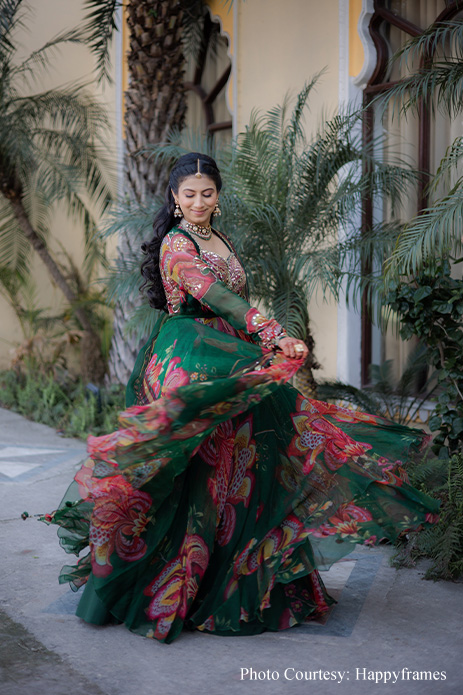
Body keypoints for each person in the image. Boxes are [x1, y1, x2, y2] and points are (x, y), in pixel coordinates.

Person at [47, 152, 439, 644]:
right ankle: (174, 587)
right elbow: (214, 295)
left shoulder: (219, 237)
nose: (197, 202)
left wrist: (258, 341)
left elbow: (232, 302)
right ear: (173, 198)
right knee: (202, 474)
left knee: (251, 466)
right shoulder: (176, 244)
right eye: (188, 194)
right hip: (190, 360)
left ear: (218, 195)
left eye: (206, 193)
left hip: (230, 353)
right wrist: (272, 330)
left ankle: (242, 583)